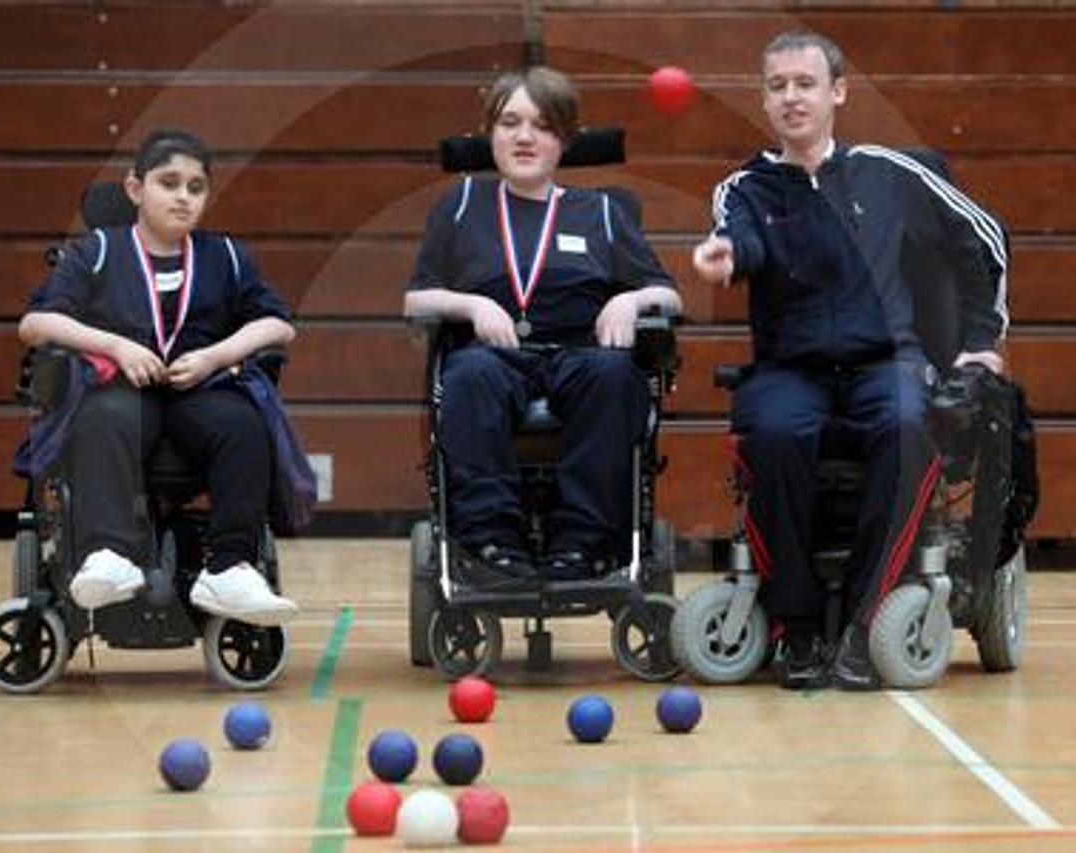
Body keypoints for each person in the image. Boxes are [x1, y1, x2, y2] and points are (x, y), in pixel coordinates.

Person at [692, 32, 1008, 689]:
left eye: (804, 83)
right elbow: (739, 238)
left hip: (884, 362)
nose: (790, 97)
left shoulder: (892, 174)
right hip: (790, 368)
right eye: (777, 86)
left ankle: (867, 622)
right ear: (765, 99)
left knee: (905, 427)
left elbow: (982, 237)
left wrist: (983, 339)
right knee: (773, 435)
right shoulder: (745, 187)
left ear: (837, 92)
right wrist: (727, 256)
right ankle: (798, 629)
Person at [405, 66, 682, 585]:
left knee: (615, 377)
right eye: (510, 122)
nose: (525, 136)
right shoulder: (461, 204)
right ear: (490, 133)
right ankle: (491, 542)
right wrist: (471, 306)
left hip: (583, 354)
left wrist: (631, 298)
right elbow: (416, 297)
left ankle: (584, 544)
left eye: (542, 124)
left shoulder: (601, 211)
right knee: (469, 378)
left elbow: (668, 293)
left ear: (565, 140)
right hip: (491, 354)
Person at [19, 128, 301, 626]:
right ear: (135, 189)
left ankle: (230, 567)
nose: (183, 196)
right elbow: (36, 324)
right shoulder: (97, 250)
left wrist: (218, 355)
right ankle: (109, 555)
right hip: (124, 394)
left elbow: (278, 323)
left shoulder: (226, 256)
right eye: (169, 183)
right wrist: (113, 345)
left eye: (196, 187)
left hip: (199, 391)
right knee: (105, 416)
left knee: (243, 424)